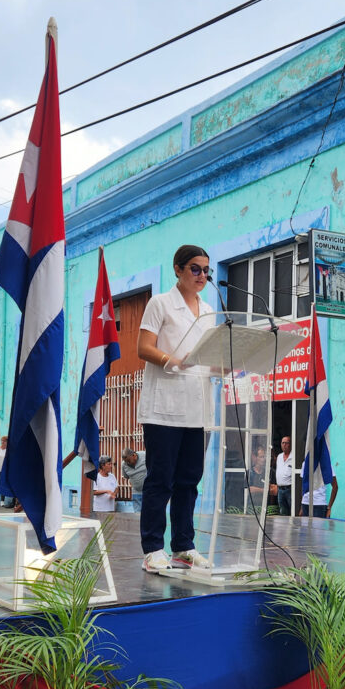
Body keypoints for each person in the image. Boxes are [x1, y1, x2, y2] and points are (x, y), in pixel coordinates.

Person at [136, 244, 215, 573]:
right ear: (178, 269)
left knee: (188, 481)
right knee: (161, 480)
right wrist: (173, 360)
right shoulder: (161, 304)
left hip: (197, 411)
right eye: (195, 269)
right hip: (164, 409)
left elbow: (210, 356)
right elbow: (143, 347)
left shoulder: (209, 310)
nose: (202, 276)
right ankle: (153, 548)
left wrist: (229, 364)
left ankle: (183, 546)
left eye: (206, 270)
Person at [246, 444, 274, 514]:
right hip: (252, 508)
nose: (263, 459)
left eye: (264, 457)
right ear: (255, 458)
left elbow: (272, 489)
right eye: (261, 457)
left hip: (265, 508)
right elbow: (249, 489)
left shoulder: (269, 472)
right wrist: (263, 490)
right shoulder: (250, 473)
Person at [121, 448, 147, 513]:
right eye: (125, 461)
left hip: (149, 492)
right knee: (138, 515)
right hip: (136, 493)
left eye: (129, 460)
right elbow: (126, 476)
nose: (127, 463)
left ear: (134, 455)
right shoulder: (124, 465)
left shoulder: (145, 455)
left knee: (150, 514)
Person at [275, 436, 293, 517]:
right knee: (283, 513)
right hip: (280, 490)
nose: (284, 445)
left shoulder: (293, 456)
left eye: (287, 443)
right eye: (283, 443)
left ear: (290, 444)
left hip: (289, 489)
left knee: (292, 511)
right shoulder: (279, 456)